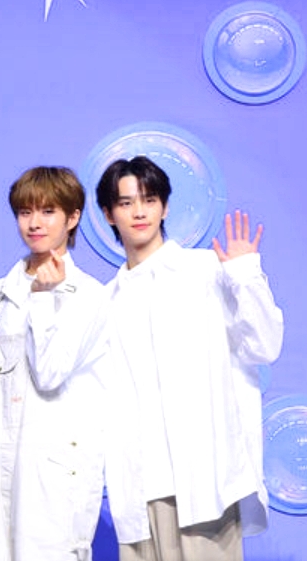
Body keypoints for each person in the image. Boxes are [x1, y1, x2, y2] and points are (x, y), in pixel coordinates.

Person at [95, 156, 283, 560]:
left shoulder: (206, 270)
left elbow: (264, 346)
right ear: (109, 214)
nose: (139, 212)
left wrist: (246, 277)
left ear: (164, 206)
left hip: (204, 484)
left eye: (149, 200)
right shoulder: (106, 301)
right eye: (126, 203)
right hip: (138, 489)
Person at [0, 166, 107, 561]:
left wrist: (43, 299)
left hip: (55, 468)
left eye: (47, 211)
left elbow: (50, 372)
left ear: (72, 217)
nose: (34, 223)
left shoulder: (89, 295)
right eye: (25, 212)